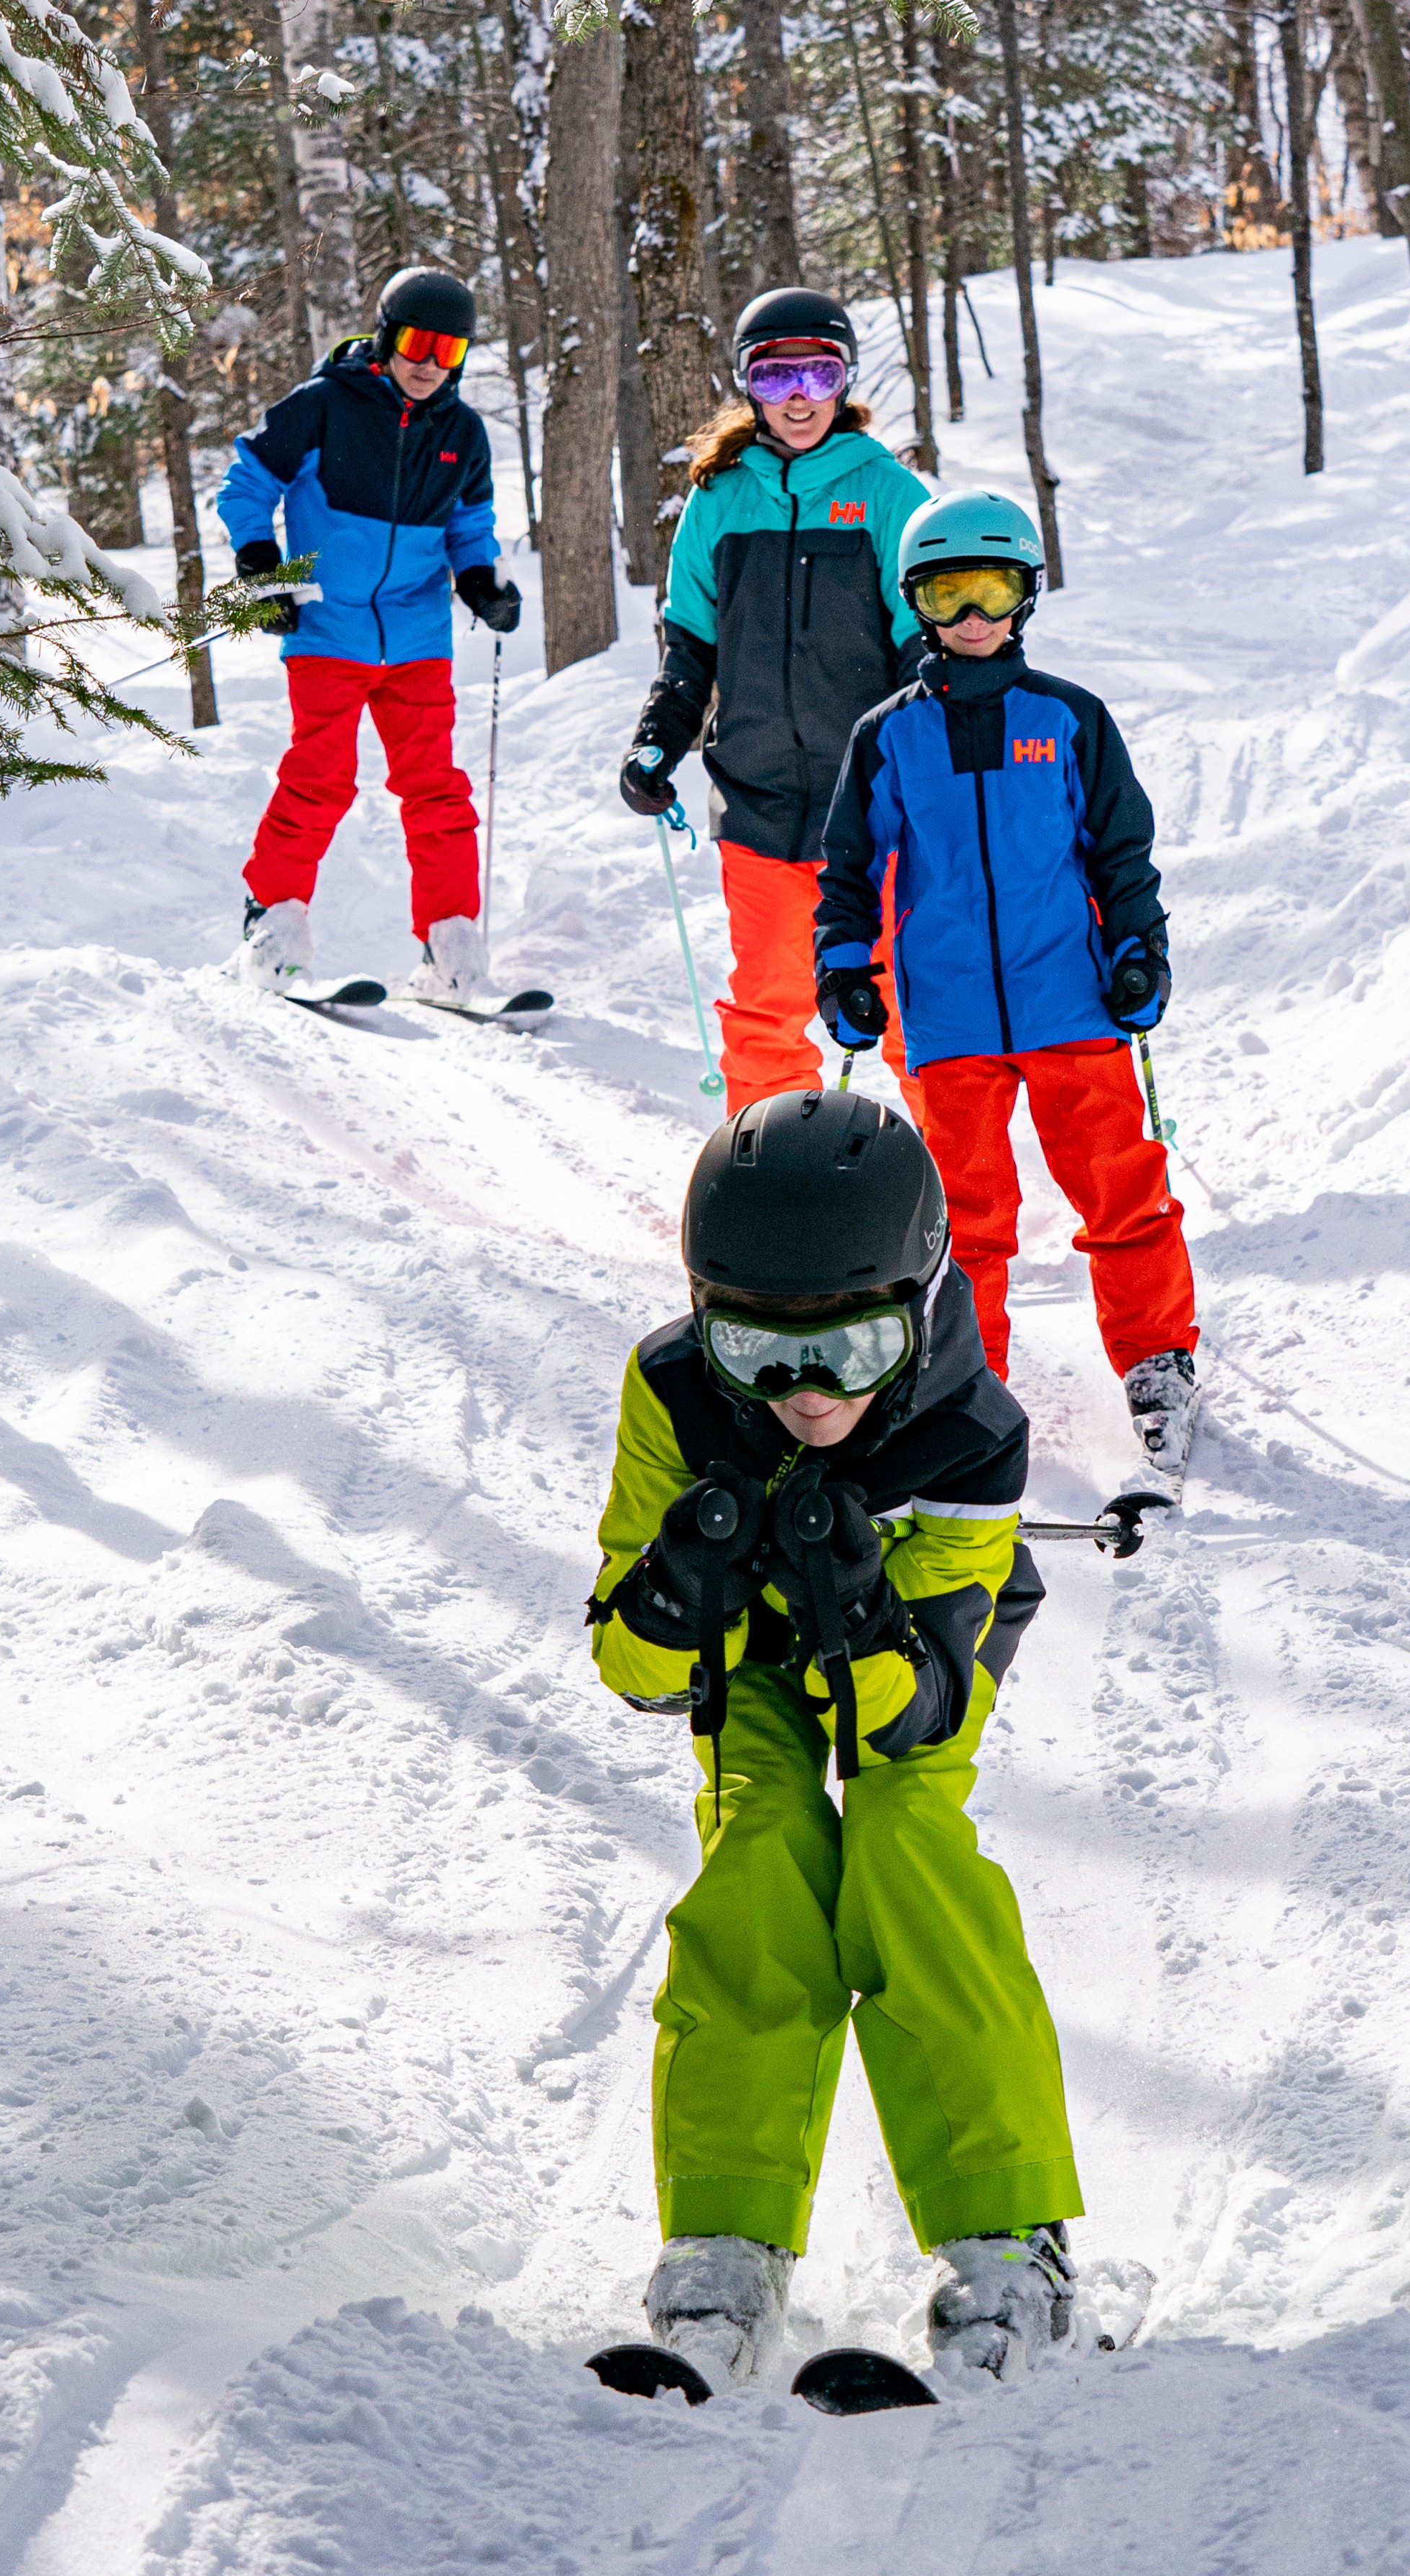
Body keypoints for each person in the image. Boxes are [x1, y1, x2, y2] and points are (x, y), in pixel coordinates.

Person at [583, 1087, 1087, 2389]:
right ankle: (725, 2239)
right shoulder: (674, 1392)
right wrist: (674, 1594)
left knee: (905, 1849)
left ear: (914, 1309)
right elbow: (634, 1673)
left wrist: (858, 1605)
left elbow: (920, 1712)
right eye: (758, 1352)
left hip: (913, 1656)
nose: (805, 1394)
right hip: (749, 1649)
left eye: (851, 1351)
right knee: (759, 1846)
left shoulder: (970, 1435)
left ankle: (1010, 2239)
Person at [813, 489, 1203, 1506]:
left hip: (1071, 1000)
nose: (973, 615)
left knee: (1121, 1187)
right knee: (965, 1213)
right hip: (948, 1019)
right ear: (918, 604)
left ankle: (1157, 1359)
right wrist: (846, 967)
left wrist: (1139, 950)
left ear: (1026, 595)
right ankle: (964, 1380)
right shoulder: (889, 735)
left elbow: (1121, 852)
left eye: (991, 588)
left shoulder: (1069, 718)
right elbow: (850, 868)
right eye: (949, 593)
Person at [616, 288, 930, 1109]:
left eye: (818, 375)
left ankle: (953, 1174)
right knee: (767, 1005)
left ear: (845, 380)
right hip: (758, 802)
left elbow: (923, 653)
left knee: (907, 1002)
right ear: (747, 384)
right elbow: (691, 647)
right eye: (775, 375)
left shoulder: (889, 493)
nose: (798, 396)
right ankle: (767, 1167)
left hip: (873, 811)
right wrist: (658, 740)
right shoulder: (718, 500)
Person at [215, 266, 523, 1003]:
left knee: (437, 791)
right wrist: (260, 565)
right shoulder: (323, 405)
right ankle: (274, 927)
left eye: (449, 351)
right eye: (417, 344)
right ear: (387, 338)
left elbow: (469, 525)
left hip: (417, 637)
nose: (430, 364)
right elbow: (247, 480)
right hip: (329, 626)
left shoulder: (463, 433)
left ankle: (450, 944)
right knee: (320, 780)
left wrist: (480, 581)